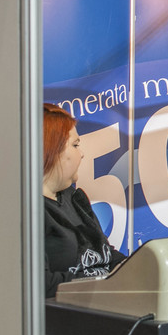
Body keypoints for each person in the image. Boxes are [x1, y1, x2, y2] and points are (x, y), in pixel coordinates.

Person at [43, 103, 126, 299]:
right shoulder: (29, 214)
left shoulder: (73, 198)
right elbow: (42, 285)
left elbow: (106, 255)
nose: (81, 154)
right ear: (52, 150)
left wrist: (137, 268)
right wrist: (105, 283)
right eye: (75, 145)